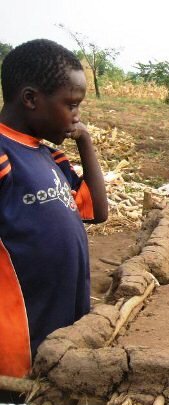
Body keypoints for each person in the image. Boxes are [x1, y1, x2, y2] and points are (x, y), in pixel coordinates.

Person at [0, 39, 108, 379]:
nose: (76, 116)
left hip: (60, 327)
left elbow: (98, 211)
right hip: (19, 340)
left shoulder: (49, 156)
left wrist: (85, 141)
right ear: (31, 99)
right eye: (71, 105)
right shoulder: (4, 156)